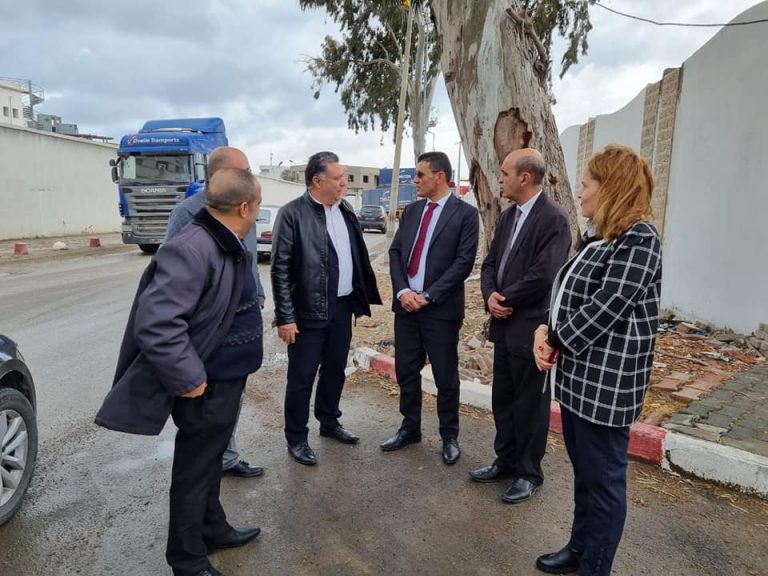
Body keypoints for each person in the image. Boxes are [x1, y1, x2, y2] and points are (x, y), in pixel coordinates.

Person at [96, 168, 266, 576]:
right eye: (258, 205)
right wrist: (189, 378)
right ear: (244, 207)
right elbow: (157, 324)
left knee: (210, 462)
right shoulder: (191, 248)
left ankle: (212, 528)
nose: (258, 213)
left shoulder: (223, 239)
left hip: (225, 378)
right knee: (194, 471)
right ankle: (187, 559)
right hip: (204, 385)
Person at [532, 145, 662, 575]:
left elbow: (607, 306)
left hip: (607, 387)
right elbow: (567, 293)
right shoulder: (599, 236)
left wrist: (554, 338)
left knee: (603, 483)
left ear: (611, 188)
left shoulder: (639, 239)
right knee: (586, 475)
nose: (580, 192)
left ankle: (595, 566)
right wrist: (543, 329)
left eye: (586, 184)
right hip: (577, 381)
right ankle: (580, 549)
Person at [471, 148, 572, 503]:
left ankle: (529, 473)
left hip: (531, 329)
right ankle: (506, 461)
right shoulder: (509, 216)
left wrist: (505, 298)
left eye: (504, 173)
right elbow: (490, 263)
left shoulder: (553, 219)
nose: (498, 178)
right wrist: (490, 296)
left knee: (530, 406)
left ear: (524, 177)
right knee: (503, 400)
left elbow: (544, 275)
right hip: (503, 326)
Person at [271, 151, 381, 466]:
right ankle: (296, 437)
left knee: (335, 370)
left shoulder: (345, 209)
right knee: (302, 377)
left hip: (342, 306)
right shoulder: (292, 214)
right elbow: (280, 269)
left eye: (344, 177)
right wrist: (286, 317)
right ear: (318, 181)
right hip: (307, 311)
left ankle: (329, 421)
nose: (344, 183)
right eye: (338, 178)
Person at [165, 146, 265, 479]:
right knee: (205, 412)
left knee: (230, 401)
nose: (249, 176)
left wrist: (257, 293)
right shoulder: (188, 215)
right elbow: (173, 278)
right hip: (209, 335)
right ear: (219, 175)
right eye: (244, 171)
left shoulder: (246, 206)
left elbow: (248, 259)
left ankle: (226, 457)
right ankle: (211, 465)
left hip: (239, 328)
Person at [381, 151, 479, 464]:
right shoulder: (411, 212)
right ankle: (410, 428)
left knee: (445, 376)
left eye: (421, 175)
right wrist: (403, 291)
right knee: (406, 370)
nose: (415, 180)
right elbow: (396, 253)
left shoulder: (465, 215)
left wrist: (428, 295)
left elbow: (463, 262)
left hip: (440, 310)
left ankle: (449, 436)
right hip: (407, 308)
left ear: (440, 176)